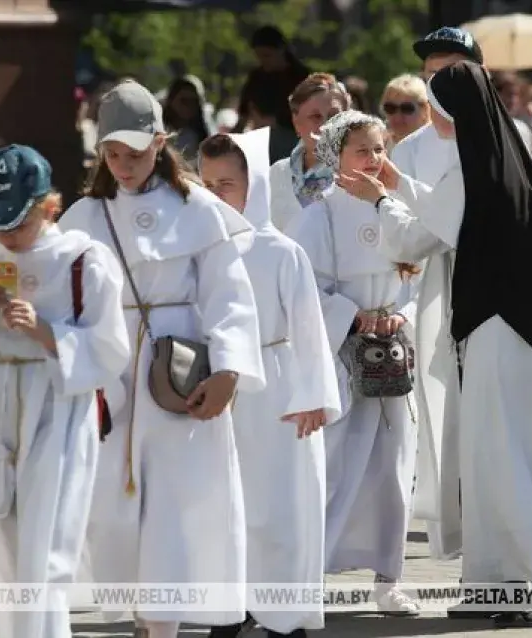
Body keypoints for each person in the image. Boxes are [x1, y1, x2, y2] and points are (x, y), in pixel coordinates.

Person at [338, 60, 532, 629]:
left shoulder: (471, 171)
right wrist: (397, 187)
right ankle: (493, 587)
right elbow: (446, 209)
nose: (429, 115)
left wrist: (379, 201)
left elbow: (417, 234)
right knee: (506, 460)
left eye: (435, 105)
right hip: (526, 337)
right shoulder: (503, 163)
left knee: (501, 461)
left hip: (497, 336)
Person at [59, 80, 266, 638]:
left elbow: (229, 295)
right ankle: (142, 616)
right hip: (109, 373)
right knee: (113, 505)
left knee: (180, 505)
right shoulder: (84, 217)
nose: (125, 166)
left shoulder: (198, 208)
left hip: (178, 372)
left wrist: (228, 370)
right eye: (113, 154)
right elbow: (62, 300)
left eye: (136, 152)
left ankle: (162, 624)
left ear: (160, 142)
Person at [0, 145, 130, 638]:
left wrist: (46, 332)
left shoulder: (85, 259)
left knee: (50, 542)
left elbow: (110, 350)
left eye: (15, 226)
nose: (3, 238)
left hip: (59, 408)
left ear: (49, 209)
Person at [199, 129, 342, 638]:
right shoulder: (199, 249)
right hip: (221, 392)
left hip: (278, 392)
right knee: (228, 506)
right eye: (208, 184)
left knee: (280, 508)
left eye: (229, 185)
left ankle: (284, 614)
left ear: (254, 184)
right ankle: (230, 608)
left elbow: (308, 330)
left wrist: (315, 397)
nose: (217, 197)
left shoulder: (281, 251)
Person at [287, 110, 422, 615]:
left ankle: (390, 577)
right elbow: (304, 292)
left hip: (393, 356)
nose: (373, 160)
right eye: (362, 150)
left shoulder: (396, 207)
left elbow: (418, 280)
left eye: (380, 149)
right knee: (337, 465)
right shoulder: (317, 216)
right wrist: (353, 316)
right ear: (336, 157)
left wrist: (398, 315)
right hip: (342, 358)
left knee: (394, 467)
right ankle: (310, 571)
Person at [388, 25, 483, 563]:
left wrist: (392, 203)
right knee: (441, 420)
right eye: (430, 78)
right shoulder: (409, 149)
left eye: (448, 76)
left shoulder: (497, 136)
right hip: (428, 299)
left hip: (490, 303)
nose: (436, 90)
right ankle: (461, 540)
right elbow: (410, 229)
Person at [268, 73, 351, 232]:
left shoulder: (359, 173)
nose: (326, 125)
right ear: (296, 122)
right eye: (315, 116)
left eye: (335, 116)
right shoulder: (277, 173)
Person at [234, 25, 311, 137]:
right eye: (259, 56)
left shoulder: (301, 78)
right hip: (262, 137)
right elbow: (243, 116)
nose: (263, 60)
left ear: (281, 50)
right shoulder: (256, 78)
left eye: (267, 55)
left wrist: (277, 121)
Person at [162, 74, 216, 163]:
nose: (188, 106)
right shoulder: (159, 131)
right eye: (184, 100)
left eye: (193, 101)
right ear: (171, 100)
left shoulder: (204, 135)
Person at [380, 74, 431, 151]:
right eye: (390, 108)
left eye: (406, 109)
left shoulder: (440, 144)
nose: (398, 116)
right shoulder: (377, 147)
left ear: (425, 109)